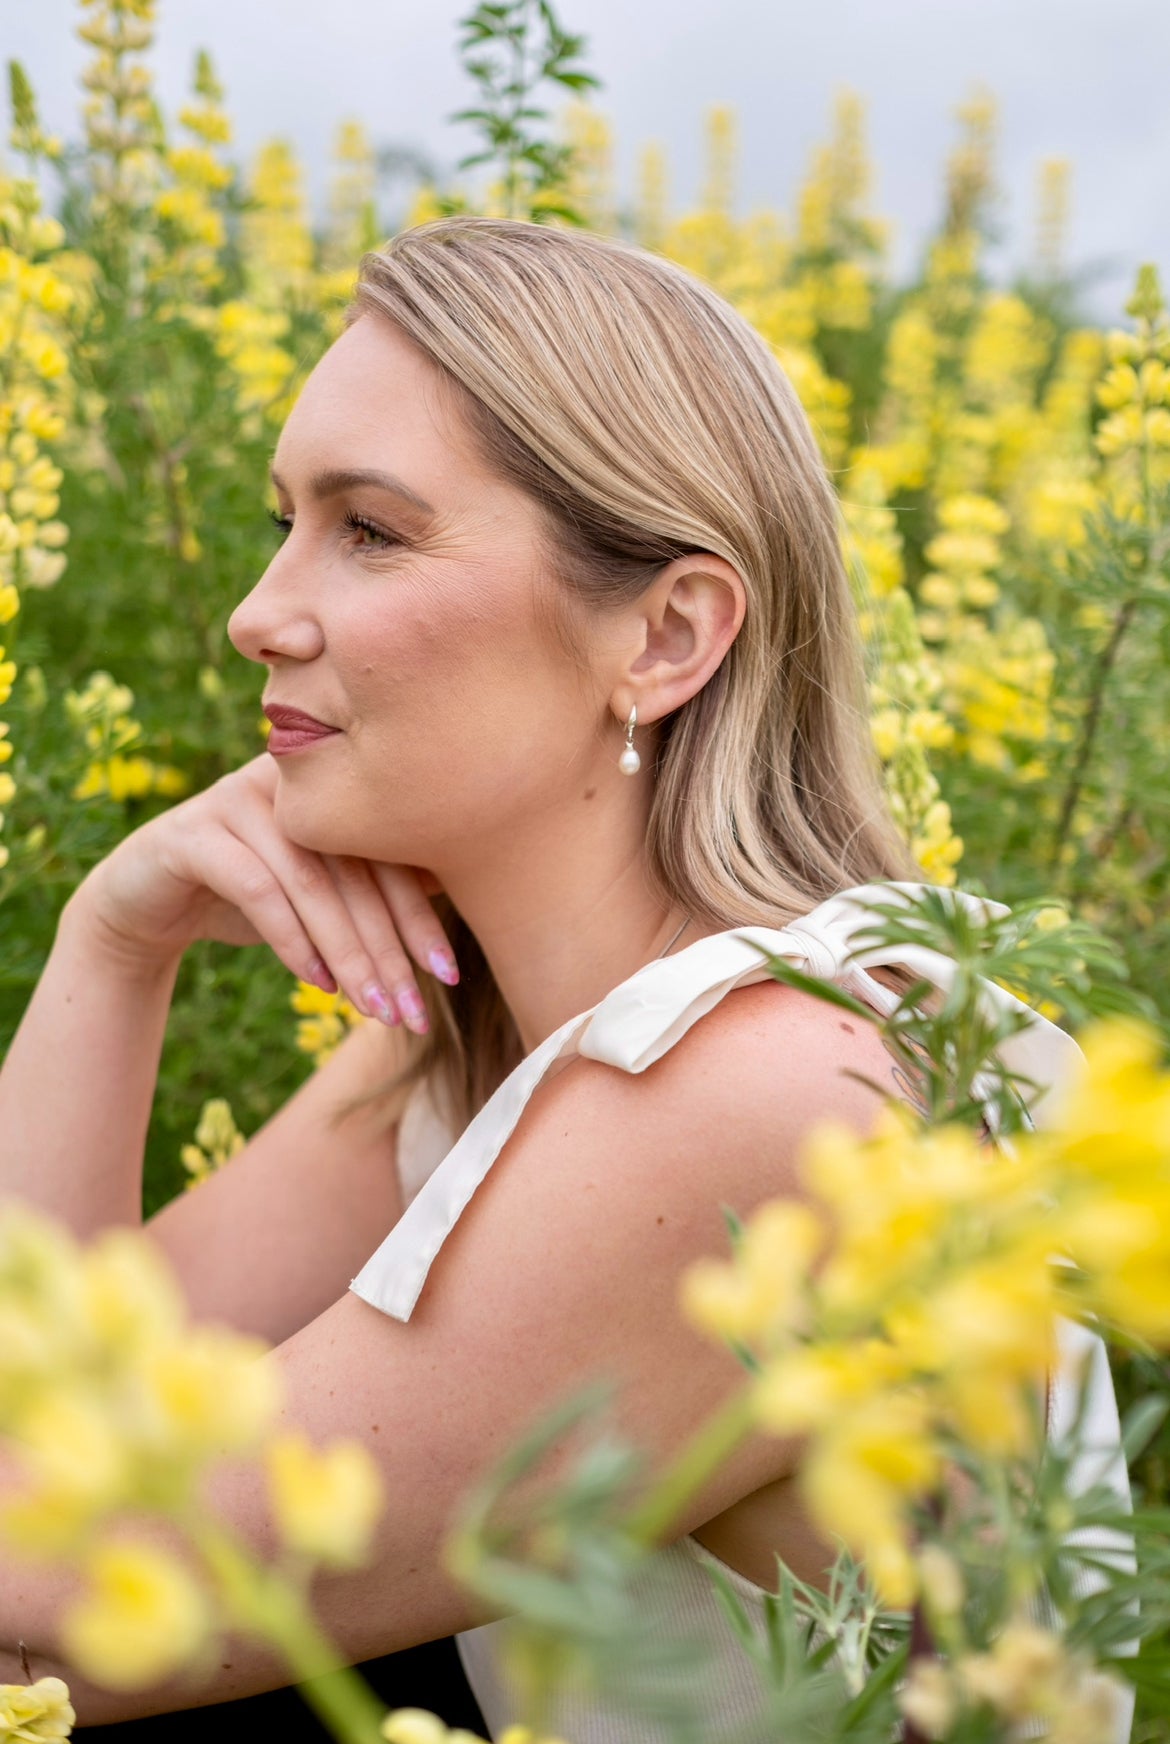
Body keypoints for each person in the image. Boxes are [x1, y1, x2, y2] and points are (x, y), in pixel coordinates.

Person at [0, 218, 1131, 1741]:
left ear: (665, 635)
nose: (258, 612)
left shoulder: (765, 1082)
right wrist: (112, 943)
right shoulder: (477, 1044)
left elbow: (66, 1602)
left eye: (370, 531)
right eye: (282, 522)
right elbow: (48, 1426)